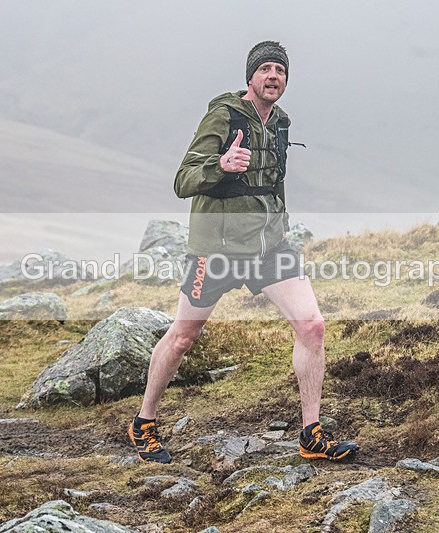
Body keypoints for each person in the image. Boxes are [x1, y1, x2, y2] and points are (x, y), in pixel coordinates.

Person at [128, 41, 357, 463]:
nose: (274, 76)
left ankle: (311, 435)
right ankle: (144, 423)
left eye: (281, 71)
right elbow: (182, 180)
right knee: (182, 338)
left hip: (270, 246)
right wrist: (221, 166)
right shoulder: (224, 116)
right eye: (266, 69)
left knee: (313, 327)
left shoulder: (281, 122)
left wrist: (281, 226)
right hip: (216, 248)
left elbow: (274, 182)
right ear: (250, 77)